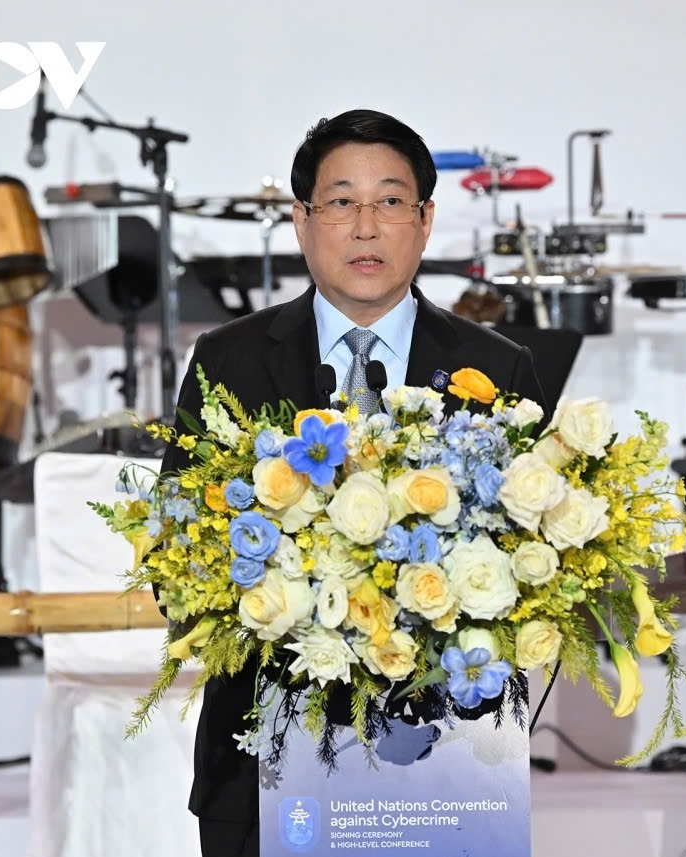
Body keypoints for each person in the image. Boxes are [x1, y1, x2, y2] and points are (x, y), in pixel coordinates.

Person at [160, 108, 547, 857]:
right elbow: (176, 552)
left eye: (390, 201)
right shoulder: (228, 361)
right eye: (341, 202)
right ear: (302, 221)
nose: (366, 227)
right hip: (261, 758)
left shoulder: (498, 369)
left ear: (425, 220)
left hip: (447, 757)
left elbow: (538, 568)